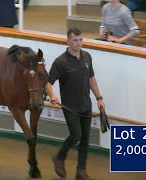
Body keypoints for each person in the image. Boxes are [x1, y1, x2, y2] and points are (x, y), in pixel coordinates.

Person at [45, 27, 106, 180]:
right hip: (70, 107)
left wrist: (99, 98)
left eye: (80, 40)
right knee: (76, 135)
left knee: (85, 138)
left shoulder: (87, 57)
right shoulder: (60, 62)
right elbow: (48, 82)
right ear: (68, 41)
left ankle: (81, 171)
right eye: (75, 40)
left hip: (86, 104)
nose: (79, 43)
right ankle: (59, 157)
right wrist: (52, 95)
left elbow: (92, 79)